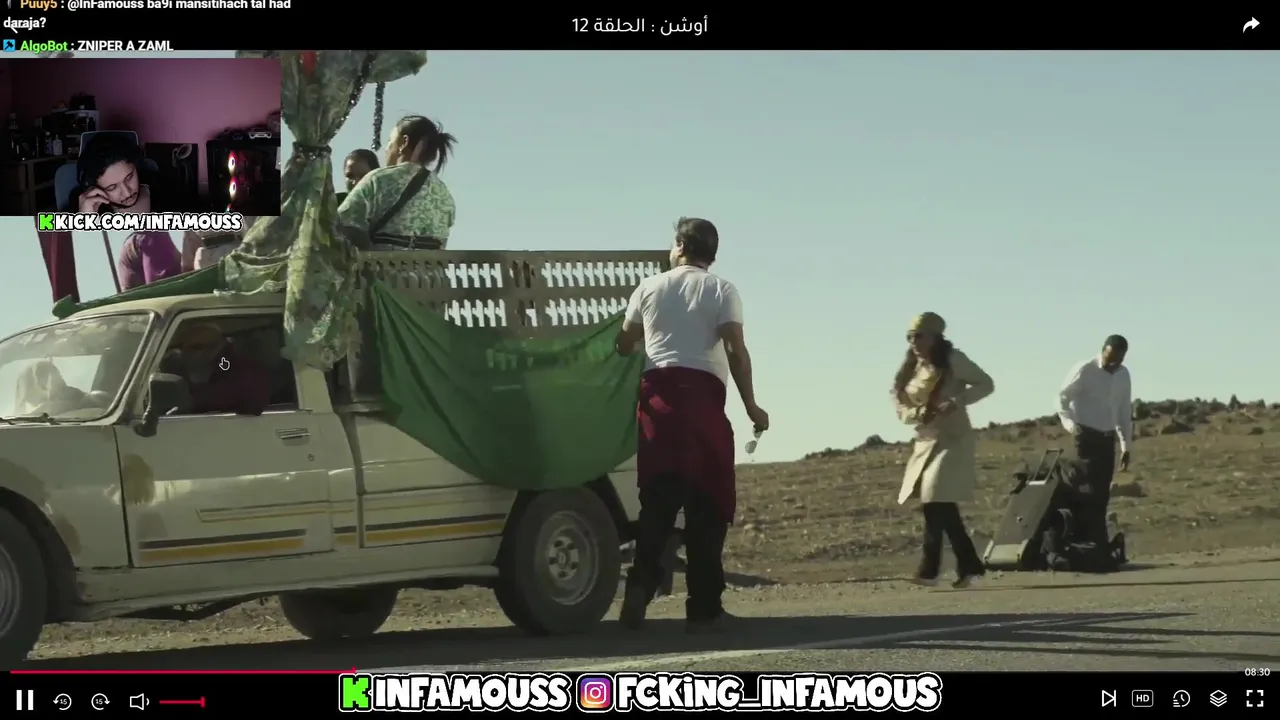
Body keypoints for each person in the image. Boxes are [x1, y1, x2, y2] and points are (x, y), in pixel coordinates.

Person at [612, 217, 768, 634]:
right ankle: (703, 608)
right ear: (711, 253)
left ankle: (638, 591)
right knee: (708, 506)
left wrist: (639, 341)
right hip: (703, 406)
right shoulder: (722, 290)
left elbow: (624, 344)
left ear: (680, 245)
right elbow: (735, 349)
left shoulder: (648, 288)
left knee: (657, 505)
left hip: (658, 404)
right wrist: (752, 406)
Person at [893, 312, 995, 588]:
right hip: (926, 441)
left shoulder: (953, 360)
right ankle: (969, 565)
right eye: (909, 337)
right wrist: (917, 413)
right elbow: (900, 406)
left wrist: (957, 401)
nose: (913, 342)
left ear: (935, 337)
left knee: (934, 498)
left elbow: (986, 383)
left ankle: (930, 569)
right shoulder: (911, 368)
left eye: (919, 336)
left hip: (953, 439)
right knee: (940, 503)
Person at [1056, 334, 1133, 548]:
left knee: (1101, 493)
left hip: (1107, 439)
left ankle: (1098, 544)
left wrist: (1126, 446)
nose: (1113, 363)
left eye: (1118, 359)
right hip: (1085, 437)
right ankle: (1081, 541)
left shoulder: (1123, 375)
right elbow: (1061, 398)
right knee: (1084, 490)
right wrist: (1071, 426)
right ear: (1103, 351)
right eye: (1110, 357)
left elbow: (1124, 411)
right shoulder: (1085, 369)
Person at [337, 115, 457, 251]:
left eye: (390, 141)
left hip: (384, 264)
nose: (386, 149)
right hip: (430, 265)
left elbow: (343, 224)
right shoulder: (444, 194)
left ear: (404, 142)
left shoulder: (377, 180)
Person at [172, 323, 270, 416]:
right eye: (182, 347)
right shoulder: (178, 368)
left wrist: (193, 402)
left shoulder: (245, 371)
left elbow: (253, 403)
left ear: (215, 347)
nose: (183, 353)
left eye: (194, 348)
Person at [75, 134, 153, 214]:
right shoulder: (79, 209)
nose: (127, 193)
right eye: (112, 187)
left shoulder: (156, 187)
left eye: (129, 177)